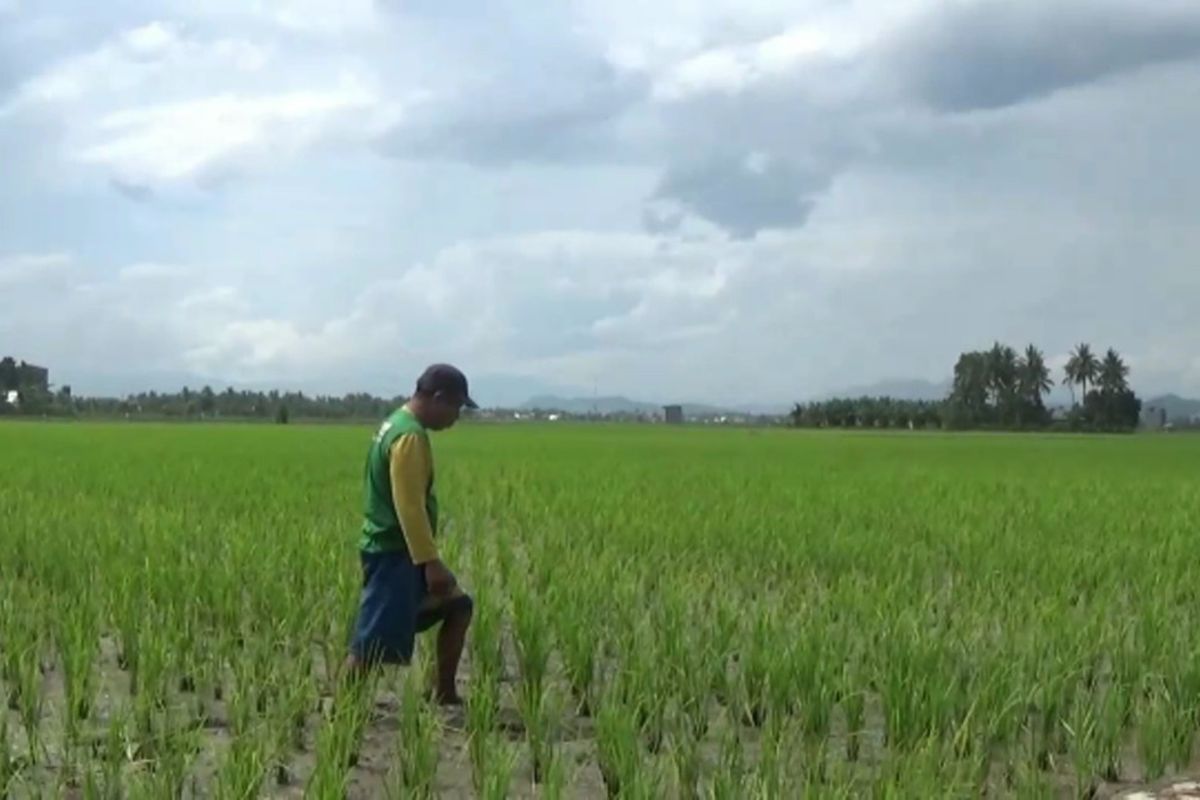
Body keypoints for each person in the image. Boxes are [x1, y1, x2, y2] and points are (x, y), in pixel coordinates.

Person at [342, 363, 478, 705]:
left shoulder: (395, 425)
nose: (456, 418)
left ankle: (444, 692)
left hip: (403, 554)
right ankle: (342, 712)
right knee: (370, 643)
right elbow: (409, 506)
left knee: (459, 606)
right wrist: (430, 563)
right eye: (457, 407)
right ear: (438, 398)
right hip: (394, 554)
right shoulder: (409, 436)